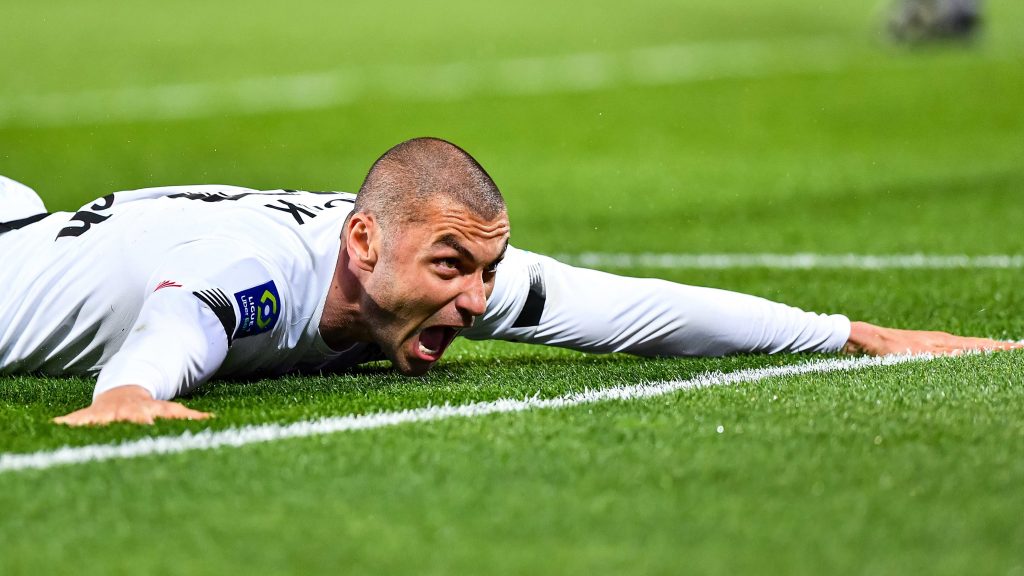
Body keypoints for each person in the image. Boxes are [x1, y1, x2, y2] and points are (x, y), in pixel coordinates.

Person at [0, 138, 1016, 426]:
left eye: (486, 269)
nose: (478, 302)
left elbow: (637, 311)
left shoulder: (444, 266)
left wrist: (852, 333)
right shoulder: (264, 273)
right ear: (364, 242)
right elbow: (183, 315)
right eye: (453, 267)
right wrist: (130, 392)